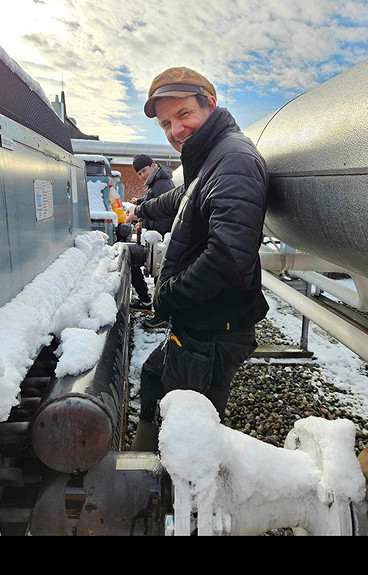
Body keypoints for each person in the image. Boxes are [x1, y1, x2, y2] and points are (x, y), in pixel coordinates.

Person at [126, 66, 269, 451]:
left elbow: (228, 256)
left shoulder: (234, 159)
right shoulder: (209, 158)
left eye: (184, 114)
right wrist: (143, 209)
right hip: (199, 318)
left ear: (211, 103)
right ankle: (149, 467)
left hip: (214, 327)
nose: (175, 130)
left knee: (190, 431)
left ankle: (181, 500)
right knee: (155, 376)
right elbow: (183, 197)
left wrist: (168, 295)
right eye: (166, 123)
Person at [128, 154, 174, 329]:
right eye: (139, 173)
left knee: (161, 278)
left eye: (144, 171)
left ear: (152, 165)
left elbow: (162, 213)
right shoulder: (157, 182)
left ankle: (161, 313)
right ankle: (153, 307)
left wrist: (142, 219)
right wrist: (140, 205)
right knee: (159, 277)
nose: (142, 176)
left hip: (162, 237)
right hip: (158, 237)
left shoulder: (162, 183)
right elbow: (152, 201)